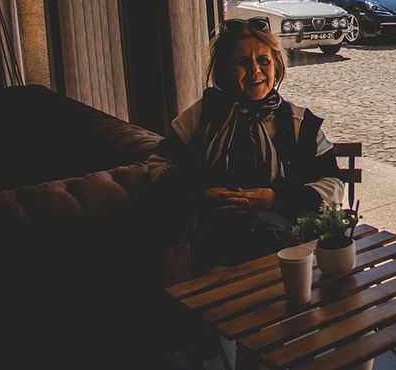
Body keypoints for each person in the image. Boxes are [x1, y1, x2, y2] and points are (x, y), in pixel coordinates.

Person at [147, 16, 344, 275]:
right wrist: (202, 193)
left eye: (263, 60)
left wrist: (276, 199)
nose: (255, 70)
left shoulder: (300, 123)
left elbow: (333, 184)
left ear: (276, 66)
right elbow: (159, 165)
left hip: (288, 255)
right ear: (225, 70)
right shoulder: (203, 117)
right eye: (243, 62)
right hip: (215, 252)